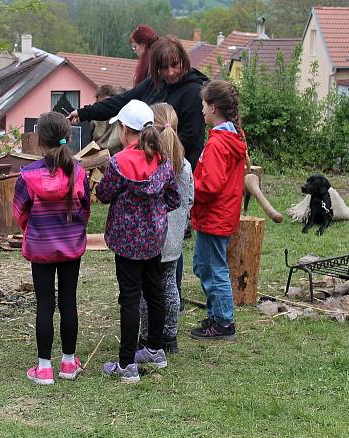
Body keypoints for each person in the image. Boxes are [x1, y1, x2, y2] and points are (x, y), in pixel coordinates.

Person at [96, 100, 180, 383]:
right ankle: (156, 349)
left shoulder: (119, 162)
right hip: (154, 238)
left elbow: (105, 194)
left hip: (126, 240)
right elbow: (173, 198)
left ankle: (126, 364)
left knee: (130, 298)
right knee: (155, 291)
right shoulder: (163, 160)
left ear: (123, 129)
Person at [12, 112, 91, 385]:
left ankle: (43, 367)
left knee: (45, 305)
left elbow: (19, 212)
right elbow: (85, 210)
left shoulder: (27, 176)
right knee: (69, 303)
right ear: (67, 137)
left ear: (37, 140)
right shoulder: (79, 172)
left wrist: (32, 230)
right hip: (71, 247)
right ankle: (69, 363)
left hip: (40, 247)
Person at [68, 36, 208, 171]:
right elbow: (122, 101)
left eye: (175, 65)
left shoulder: (194, 92)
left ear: (184, 60)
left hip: (177, 169)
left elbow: (190, 140)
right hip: (147, 166)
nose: (170, 72)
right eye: (164, 67)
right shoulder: (155, 82)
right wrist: (84, 113)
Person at [190, 80, 248, 341]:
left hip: (214, 215)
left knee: (214, 269)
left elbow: (210, 185)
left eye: (203, 105)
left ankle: (224, 322)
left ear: (213, 108)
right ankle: (216, 315)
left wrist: (191, 188)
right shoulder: (229, 137)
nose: (201, 110)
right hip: (219, 214)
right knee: (205, 266)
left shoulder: (218, 144)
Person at [136, 103, 193, 357]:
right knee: (170, 284)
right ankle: (170, 336)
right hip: (175, 234)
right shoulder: (185, 165)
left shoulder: (153, 165)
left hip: (153, 233)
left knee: (147, 290)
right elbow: (189, 198)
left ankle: (147, 336)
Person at [90, 85, 125, 154]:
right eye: (100, 104)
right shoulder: (94, 119)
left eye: (106, 103)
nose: (103, 107)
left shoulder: (122, 119)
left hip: (116, 157)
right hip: (97, 156)